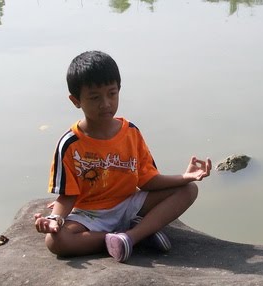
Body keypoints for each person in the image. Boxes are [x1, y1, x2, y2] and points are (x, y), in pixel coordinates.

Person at [34, 50, 211, 262]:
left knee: (188, 190)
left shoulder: (131, 133)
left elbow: (148, 181)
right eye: (95, 97)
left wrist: (185, 177)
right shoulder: (70, 143)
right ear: (76, 100)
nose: (105, 103)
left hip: (129, 204)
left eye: (112, 94)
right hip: (90, 214)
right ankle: (129, 236)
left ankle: (131, 237)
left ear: (119, 90)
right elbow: (68, 195)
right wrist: (56, 219)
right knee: (55, 241)